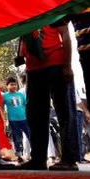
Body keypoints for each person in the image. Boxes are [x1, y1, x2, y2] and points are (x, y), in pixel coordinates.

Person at [17, 24, 79, 170]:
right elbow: (23, 37)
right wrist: (20, 54)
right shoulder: (23, 13)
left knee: (64, 111)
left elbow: (65, 34)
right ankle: (38, 159)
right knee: (35, 115)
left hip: (56, 63)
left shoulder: (51, 5)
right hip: (32, 68)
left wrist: (67, 65)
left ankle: (70, 159)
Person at [2, 76, 29, 161]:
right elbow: (1, 108)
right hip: (13, 121)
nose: (14, 86)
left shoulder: (20, 94)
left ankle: (36, 153)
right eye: (11, 84)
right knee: (16, 138)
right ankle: (19, 155)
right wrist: (4, 120)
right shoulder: (5, 96)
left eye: (15, 84)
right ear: (7, 86)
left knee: (30, 136)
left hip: (24, 119)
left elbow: (25, 105)